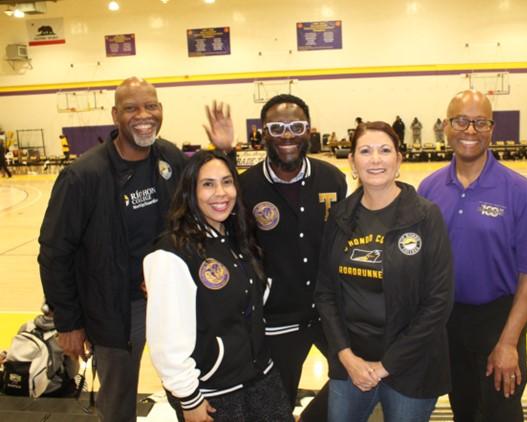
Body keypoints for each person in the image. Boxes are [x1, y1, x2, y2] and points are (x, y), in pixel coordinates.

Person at [38, 77, 187, 422]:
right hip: (116, 310)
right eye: (131, 108)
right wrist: (69, 322)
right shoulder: (83, 176)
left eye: (151, 106)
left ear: (161, 110)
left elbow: (190, 220)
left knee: (185, 387)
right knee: (118, 400)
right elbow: (54, 253)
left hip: (170, 300)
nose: (143, 115)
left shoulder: (170, 157)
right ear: (115, 115)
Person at [204, 94, 347, 421]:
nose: (287, 135)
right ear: (263, 133)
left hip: (328, 311)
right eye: (277, 127)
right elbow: (218, 229)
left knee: (356, 378)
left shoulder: (333, 180)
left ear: (309, 131)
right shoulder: (245, 186)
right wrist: (222, 153)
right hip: (276, 321)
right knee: (274, 408)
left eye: (296, 126)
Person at [419, 90, 527, 422]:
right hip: (447, 321)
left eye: (480, 122)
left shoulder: (523, 194)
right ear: (446, 126)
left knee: (500, 412)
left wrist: (508, 342)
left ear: (492, 129)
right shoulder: (428, 189)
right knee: (463, 410)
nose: (470, 131)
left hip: (498, 321)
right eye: (461, 121)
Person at [315, 121, 454, 422]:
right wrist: (345, 355)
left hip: (411, 366)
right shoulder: (340, 216)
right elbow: (325, 293)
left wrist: (385, 366)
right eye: (365, 151)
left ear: (398, 159)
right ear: (352, 162)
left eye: (384, 150)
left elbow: (438, 302)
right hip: (350, 364)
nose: (375, 159)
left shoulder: (426, 216)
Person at [144, 150, 292, 422]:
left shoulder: (238, 237)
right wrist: (189, 398)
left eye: (227, 182)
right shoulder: (172, 253)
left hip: (261, 377)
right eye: (208, 184)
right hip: (213, 393)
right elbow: (166, 341)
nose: (221, 193)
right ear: (190, 191)